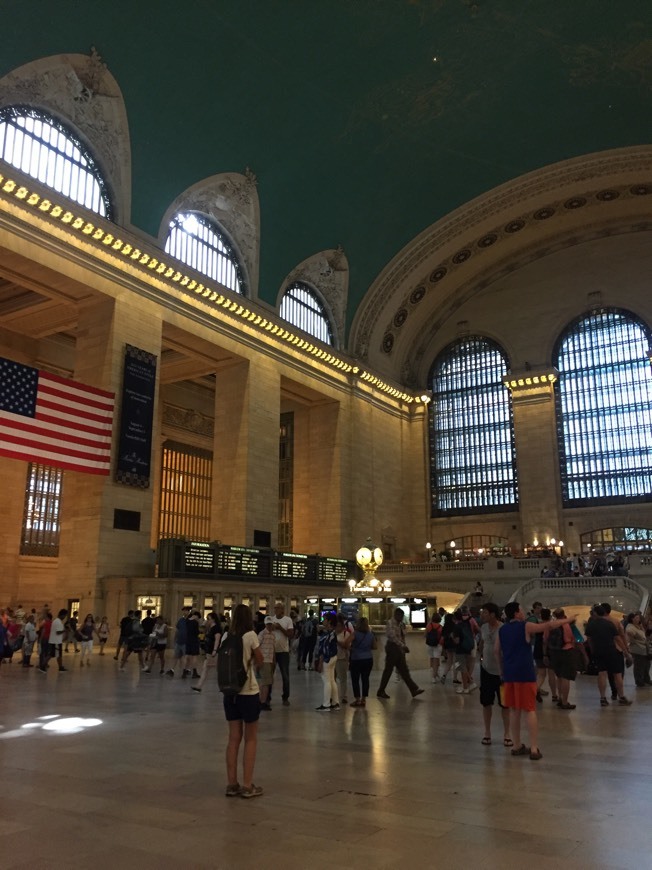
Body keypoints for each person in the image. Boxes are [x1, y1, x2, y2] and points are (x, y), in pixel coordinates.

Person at [497, 601, 575, 760]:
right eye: (521, 610)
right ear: (516, 613)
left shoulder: (502, 630)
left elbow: (496, 651)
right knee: (529, 709)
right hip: (525, 673)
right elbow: (548, 626)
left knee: (514, 710)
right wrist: (567, 620)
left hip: (510, 674)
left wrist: (501, 671)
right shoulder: (525, 626)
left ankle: (517, 745)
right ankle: (534, 748)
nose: (523, 612)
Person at [222, 603, 264, 799]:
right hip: (248, 691)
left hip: (230, 692)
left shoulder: (226, 636)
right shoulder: (251, 635)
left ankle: (232, 783)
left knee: (233, 738)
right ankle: (248, 785)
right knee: (251, 738)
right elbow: (261, 659)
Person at [478, 603, 512, 748]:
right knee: (486, 703)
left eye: (485, 613)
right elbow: (482, 643)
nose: (482, 615)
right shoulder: (484, 628)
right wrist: (481, 657)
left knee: (505, 704)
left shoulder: (503, 628)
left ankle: (507, 734)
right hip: (486, 670)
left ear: (493, 614)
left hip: (502, 672)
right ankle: (487, 732)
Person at [585, 605, 632, 706]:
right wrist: (625, 652)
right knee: (617, 674)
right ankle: (622, 697)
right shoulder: (610, 624)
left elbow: (589, 640)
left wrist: (593, 650)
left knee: (601, 674)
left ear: (596, 613)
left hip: (598, 651)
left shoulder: (591, 625)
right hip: (612, 651)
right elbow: (617, 639)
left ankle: (602, 698)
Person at [376, 609, 424, 700]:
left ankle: (413, 689)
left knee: (404, 670)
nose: (402, 618)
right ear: (396, 615)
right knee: (388, 670)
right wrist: (403, 646)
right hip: (392, 648)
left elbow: (402, 635)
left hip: (398, 648)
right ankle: (381, 691)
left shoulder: (400, 624)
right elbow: (392, 637)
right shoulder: (390, 623)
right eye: (400, 616)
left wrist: (403, 645)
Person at [547, 608, 578, 709]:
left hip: (554, 652)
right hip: (566, 651)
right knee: (566, 677)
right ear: (564, 614)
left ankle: (560, 697)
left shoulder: (551, 625)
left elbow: (545, 639)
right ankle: (565, 701)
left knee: (559, 676)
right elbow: (574, 639)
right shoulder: (567, 625)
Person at [349, 617, 377, 707]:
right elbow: (375, 646)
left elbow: (346, 643)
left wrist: (352, 648)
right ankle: (364, 699)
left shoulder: (355, 634)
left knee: (355, 680)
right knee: (365, 679)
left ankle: (357, 699)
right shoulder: (370, 634)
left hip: (356, 659)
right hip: (368, 659)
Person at [271, 602, 294, 706]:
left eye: (278, 608)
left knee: (285, 675)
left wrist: (280, 628)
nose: (275, 610)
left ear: (282, 610)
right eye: (275, 608)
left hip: (283, 651)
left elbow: (290, 635)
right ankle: (267, 697)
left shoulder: (288, 620)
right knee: (269, 675)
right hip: (272, 651)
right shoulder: (271, 619)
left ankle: (285, 697)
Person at [315, 613, 339, 711]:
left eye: (324, 619)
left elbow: (323, 650)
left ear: (329, 621)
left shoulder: (327, 635)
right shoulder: (333, 633)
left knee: (326, 681)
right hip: (333, 657)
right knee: (332, 680)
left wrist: (320, 662)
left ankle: (326, 704)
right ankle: (335, 702)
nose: (323, 621)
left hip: (327, 659)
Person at [191, 612, 221, 691]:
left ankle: (200, 685)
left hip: (213, 652)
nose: (207, 620)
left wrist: (215, 650)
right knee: (206, 668)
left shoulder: (216, 628)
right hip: (208, 652)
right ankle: (199, 685)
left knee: (215, 669)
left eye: (209, 619)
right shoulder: (210, 628)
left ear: (213, 619)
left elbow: (217, 640)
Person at [453, 607, 477, 694]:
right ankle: (469, 683)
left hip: (460, 650)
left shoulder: (457, 627)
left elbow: (457, 641)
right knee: (464, 667)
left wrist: (452, 637)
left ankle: (466, 687)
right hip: (468, 648)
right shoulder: (466, 624)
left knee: (462, 668)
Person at [625, 612, 650, 688]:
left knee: (646, 665)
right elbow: (629, 633)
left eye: (639, 618)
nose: (639, 619)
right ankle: (639, 681)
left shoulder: (638, 626)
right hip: (638, 649)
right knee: (639, 666)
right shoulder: (630, 627)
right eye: (637, 618)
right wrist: (634, 641)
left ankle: (646, 679)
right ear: (632, 619)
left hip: (644, 649)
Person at [256, 616, 276, 710]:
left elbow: (273, 649)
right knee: (265, 683)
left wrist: (273, 660)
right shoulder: (262, 634)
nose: (269, 625)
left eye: (270, 624)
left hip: (269, 660)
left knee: (266, 682)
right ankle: (262, 702)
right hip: (264, 660)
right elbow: (256, 646)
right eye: (268, 624)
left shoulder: (272, 635)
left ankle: (262, 701)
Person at [166, 605, 191, 677]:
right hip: (179, 641)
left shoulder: (190, 621)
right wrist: (175, 639)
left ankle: (185, 670)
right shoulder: (181, 620)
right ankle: (172, 669)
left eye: (186, 611)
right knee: (176, 656)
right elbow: (177, 630)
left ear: (189, 611)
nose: (184, 612)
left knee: (185, 657)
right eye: (183, 611)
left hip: (186, 641)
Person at [335, 613, 352, 704]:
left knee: (343, 678)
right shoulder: (332, 633)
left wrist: (337, 642)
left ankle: (344, 696)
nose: (337, 627)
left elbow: (347, 646)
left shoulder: (346, 633)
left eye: (339, 625)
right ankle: (332, 695)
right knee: (332, 678)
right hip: (332, 658)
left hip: (342, 658)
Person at [425, 612, 443, 682]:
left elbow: (425, 635)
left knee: (432, 659)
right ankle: (434, 676)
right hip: (437, 645)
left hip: (429, 644)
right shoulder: (441, 627)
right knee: (436, 660)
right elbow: (442, 637)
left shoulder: (429, 625)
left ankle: (434, 673)